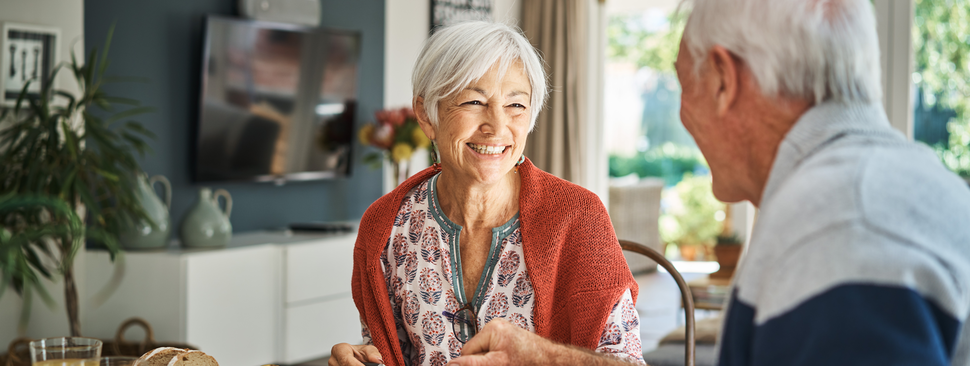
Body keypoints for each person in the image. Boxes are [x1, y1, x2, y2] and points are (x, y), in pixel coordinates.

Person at [442, 0, 970, 365]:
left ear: (721, 79)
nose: (681, 110)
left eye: (681, 80)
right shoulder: (894, 187)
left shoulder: (840, 226)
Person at [330, 21, 645, 366]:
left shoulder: (578, 215)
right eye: (474, 101)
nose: (496, 127)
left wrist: (541, 357)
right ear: (426, 114)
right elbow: (389, 350)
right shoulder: (386, 227)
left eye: (516, 105)